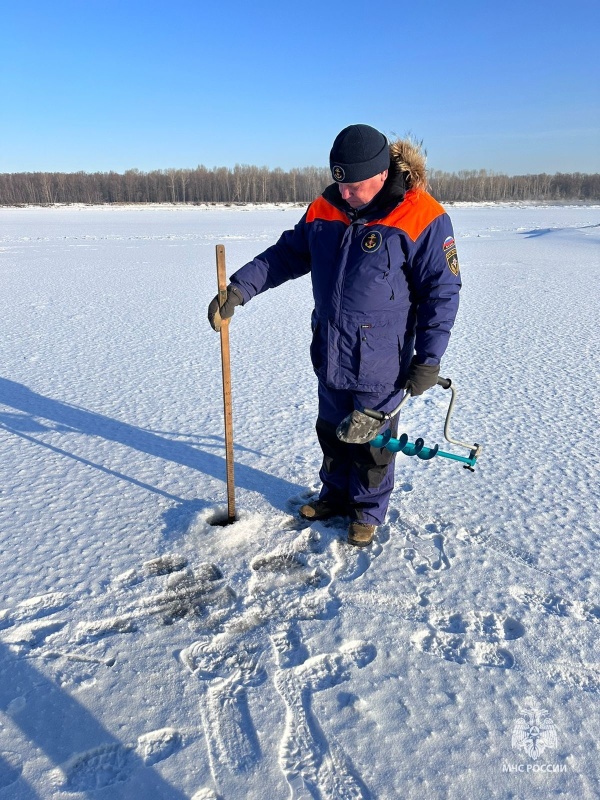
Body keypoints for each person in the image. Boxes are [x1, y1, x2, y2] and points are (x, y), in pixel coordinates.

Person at [208, 124, 461, 547]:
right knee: (331, 429)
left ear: (382, 174)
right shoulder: (326, 207)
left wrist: (429, 358)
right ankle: (334, 495)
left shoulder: (423, 216)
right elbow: (287, 254)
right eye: (338, 182)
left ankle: (366, 510)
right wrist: (240, 289)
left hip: (382, 357)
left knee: (372, 442)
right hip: (330, 347)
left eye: (354, 186)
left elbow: (442, 291)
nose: (343, 194)